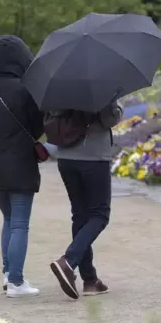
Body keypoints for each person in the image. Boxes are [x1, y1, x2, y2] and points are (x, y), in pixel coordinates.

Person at [0, 35, 44, 298]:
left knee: (8, 218)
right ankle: (16, 281)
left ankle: (7, 274)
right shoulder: (26, 90)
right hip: (21, 165)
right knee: (20, 224)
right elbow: (38, 127)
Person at [48, 101, 124, 300]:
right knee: (99, 214)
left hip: (65, 157)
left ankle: (90, 280)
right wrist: (117, 107)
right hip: (93, 157)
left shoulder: (60, 86)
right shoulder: (98, 85)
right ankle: (68, 261)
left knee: (80, 216)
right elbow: (109, 119)